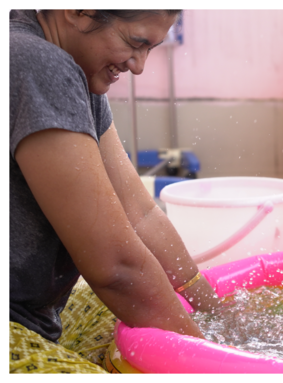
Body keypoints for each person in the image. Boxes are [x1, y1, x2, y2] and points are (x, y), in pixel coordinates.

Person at [9, 10, 220, 373]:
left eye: (151, 48)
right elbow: (116, 267)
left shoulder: (75, 68)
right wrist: (215, 361)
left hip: (36, 314)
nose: (139, 67)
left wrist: (217, 311)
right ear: (76, 10)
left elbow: (141, 213)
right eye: (135, 43)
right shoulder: (35, 62)